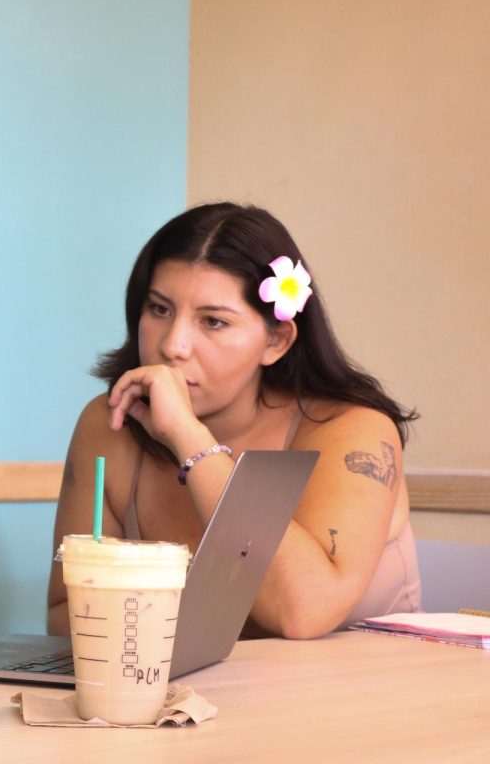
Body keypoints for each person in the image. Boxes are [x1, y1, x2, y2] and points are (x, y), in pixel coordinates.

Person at [46, 203, 421, 641]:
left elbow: (302, 611)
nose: (173, 346)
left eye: (214, 322)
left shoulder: (352, 428)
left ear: (276, 341)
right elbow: (63, 616)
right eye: (160, 309)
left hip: (371, 701)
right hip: (193, 703)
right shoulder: (108, 422)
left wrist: (189, 440)